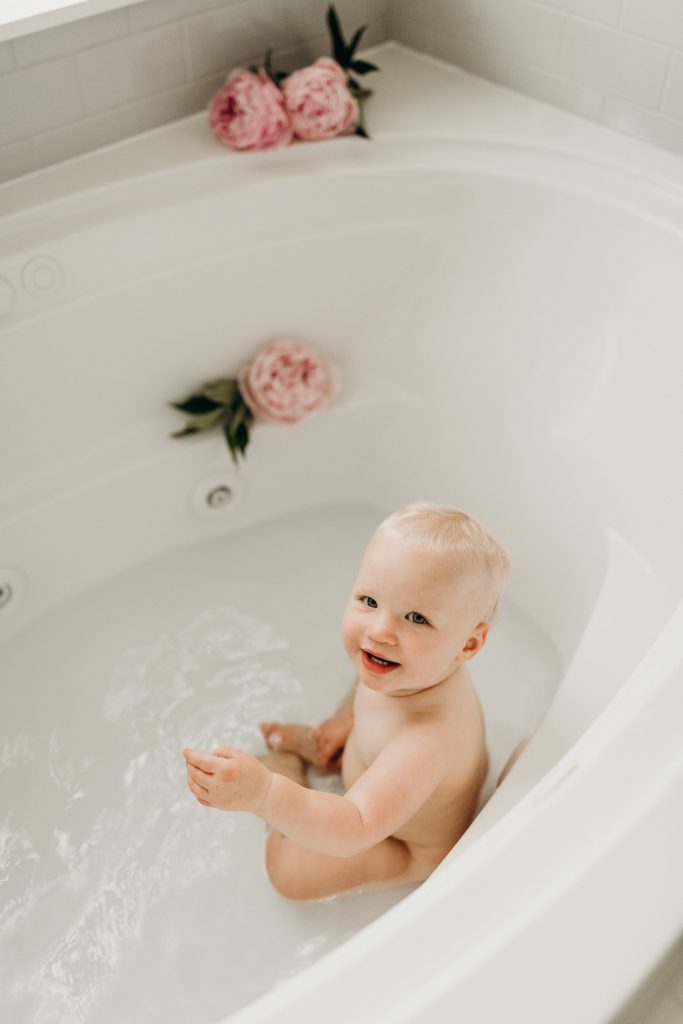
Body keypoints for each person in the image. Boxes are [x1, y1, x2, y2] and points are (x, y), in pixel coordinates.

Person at [183, 502, 510, 901]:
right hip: (381, 777)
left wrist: (265, 793)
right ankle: (328, 742)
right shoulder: (413, 668)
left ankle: (292, 766)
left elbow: (354, 826)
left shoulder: (427, 742)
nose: (380, 631)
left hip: (405, 843)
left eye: (417, 618)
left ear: (469, 643)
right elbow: (367, 682)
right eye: (369, 601)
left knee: (289, 873)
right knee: (364, 683)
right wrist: (343, 719)